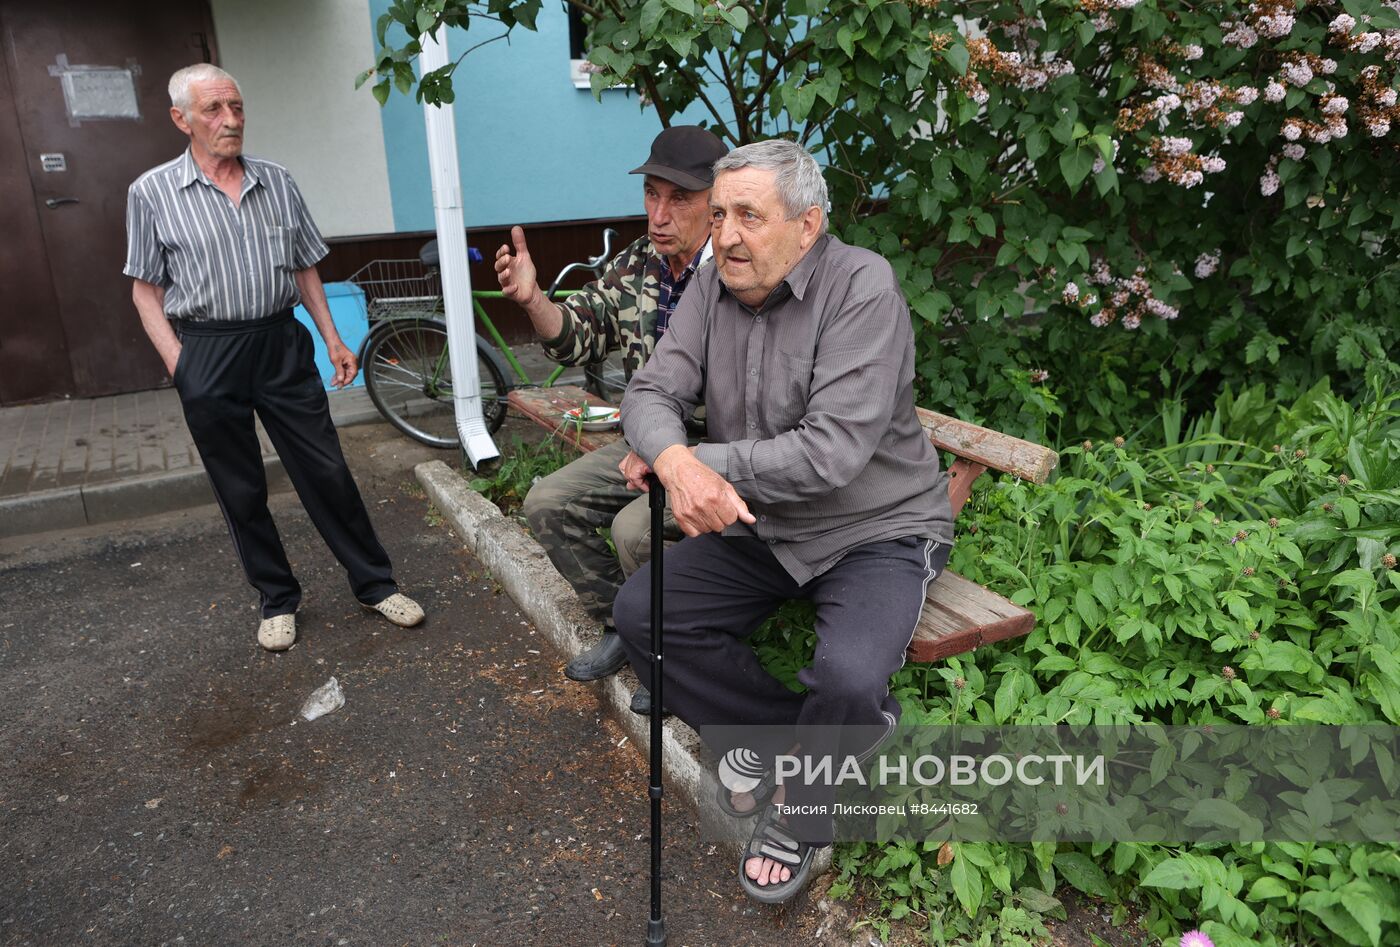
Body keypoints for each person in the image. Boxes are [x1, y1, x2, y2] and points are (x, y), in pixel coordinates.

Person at [611, 140, 955, 903]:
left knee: (849, 674)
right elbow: (649, 391)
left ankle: (805, 809)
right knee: (642, 613)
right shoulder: (712, 285)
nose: (726, 234)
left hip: (875, 527)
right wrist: (672, 458)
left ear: (806, 224)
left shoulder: (861, 284)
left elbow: (832, 454)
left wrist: (695, 461)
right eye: (723, 214)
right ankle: (795, 738)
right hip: (768, 524)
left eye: (748, 216)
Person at [124, 63, 423, 653]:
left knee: (326, 469)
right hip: (206, 350)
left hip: (281, 341)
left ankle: (374, 583)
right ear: (180, 119)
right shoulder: (151, 192)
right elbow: (144, 290)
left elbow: (305, 265)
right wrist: (179, 363)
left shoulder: (276, 180)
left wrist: (333, 339)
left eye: (236, 107)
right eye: (213, 110)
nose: (230, 120)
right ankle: (277, 598)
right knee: (240, 487)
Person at [494, 125, 727, 709]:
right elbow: (579, 335)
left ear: (715, 202)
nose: (660, 213)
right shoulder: (639, 262)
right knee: (547, 502)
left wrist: (670, 450)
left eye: (679, 199)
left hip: (720, 449)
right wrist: (534, 302)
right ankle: (627, 625)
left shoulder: (736, 266)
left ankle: (678, 654)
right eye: (652, 194)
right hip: (645, 443)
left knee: (634, 531)